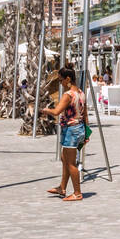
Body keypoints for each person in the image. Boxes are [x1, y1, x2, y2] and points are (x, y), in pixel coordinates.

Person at [41, 66, 87, 202]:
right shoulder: (81, 93)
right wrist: (87, 133)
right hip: (79, 128)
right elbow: (85, 115)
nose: (60, 83)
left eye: (61, 80)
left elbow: (56, 111)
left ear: (68, 79)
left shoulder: (68, 95)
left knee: (71, 163)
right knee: (64, 158)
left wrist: (45, 110)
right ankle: (62, 187)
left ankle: (77, 193)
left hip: (71, 130)